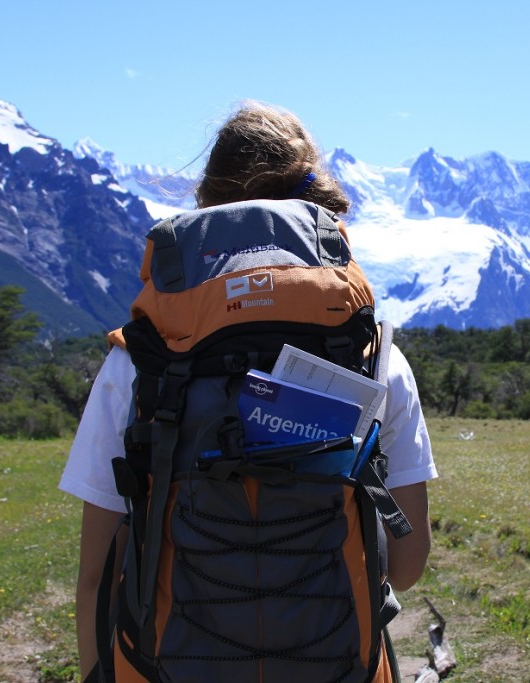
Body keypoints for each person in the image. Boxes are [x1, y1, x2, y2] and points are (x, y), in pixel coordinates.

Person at [59, 101, 436, 681]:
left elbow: (95, 577)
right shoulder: (373, 358)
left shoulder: (139, 359)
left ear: (207, 204)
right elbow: (406, 566)